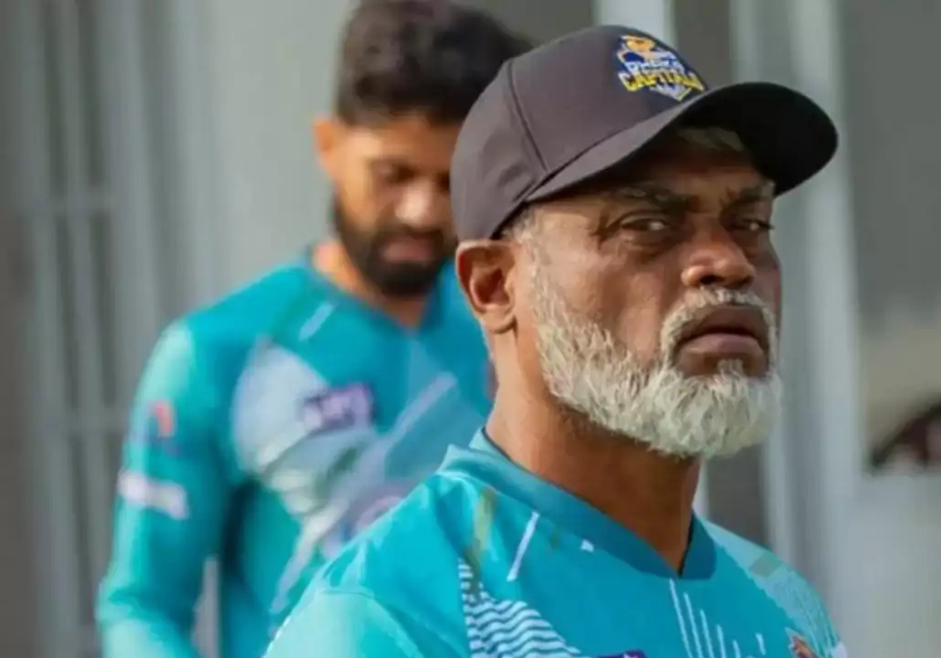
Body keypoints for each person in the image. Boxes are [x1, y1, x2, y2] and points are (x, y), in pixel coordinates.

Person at [264, 24, 847, 658]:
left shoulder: (783, 608)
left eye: (750, 222)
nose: (729, 262)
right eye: (646, 223)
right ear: (494, 286)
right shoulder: (395, 619)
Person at [96, 2, 530, 657]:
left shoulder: (510, 322)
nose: (422, 210)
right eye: (393, 175)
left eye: (449, 182)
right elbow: (141, 605)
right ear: (328, 146)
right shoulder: (216, 354)